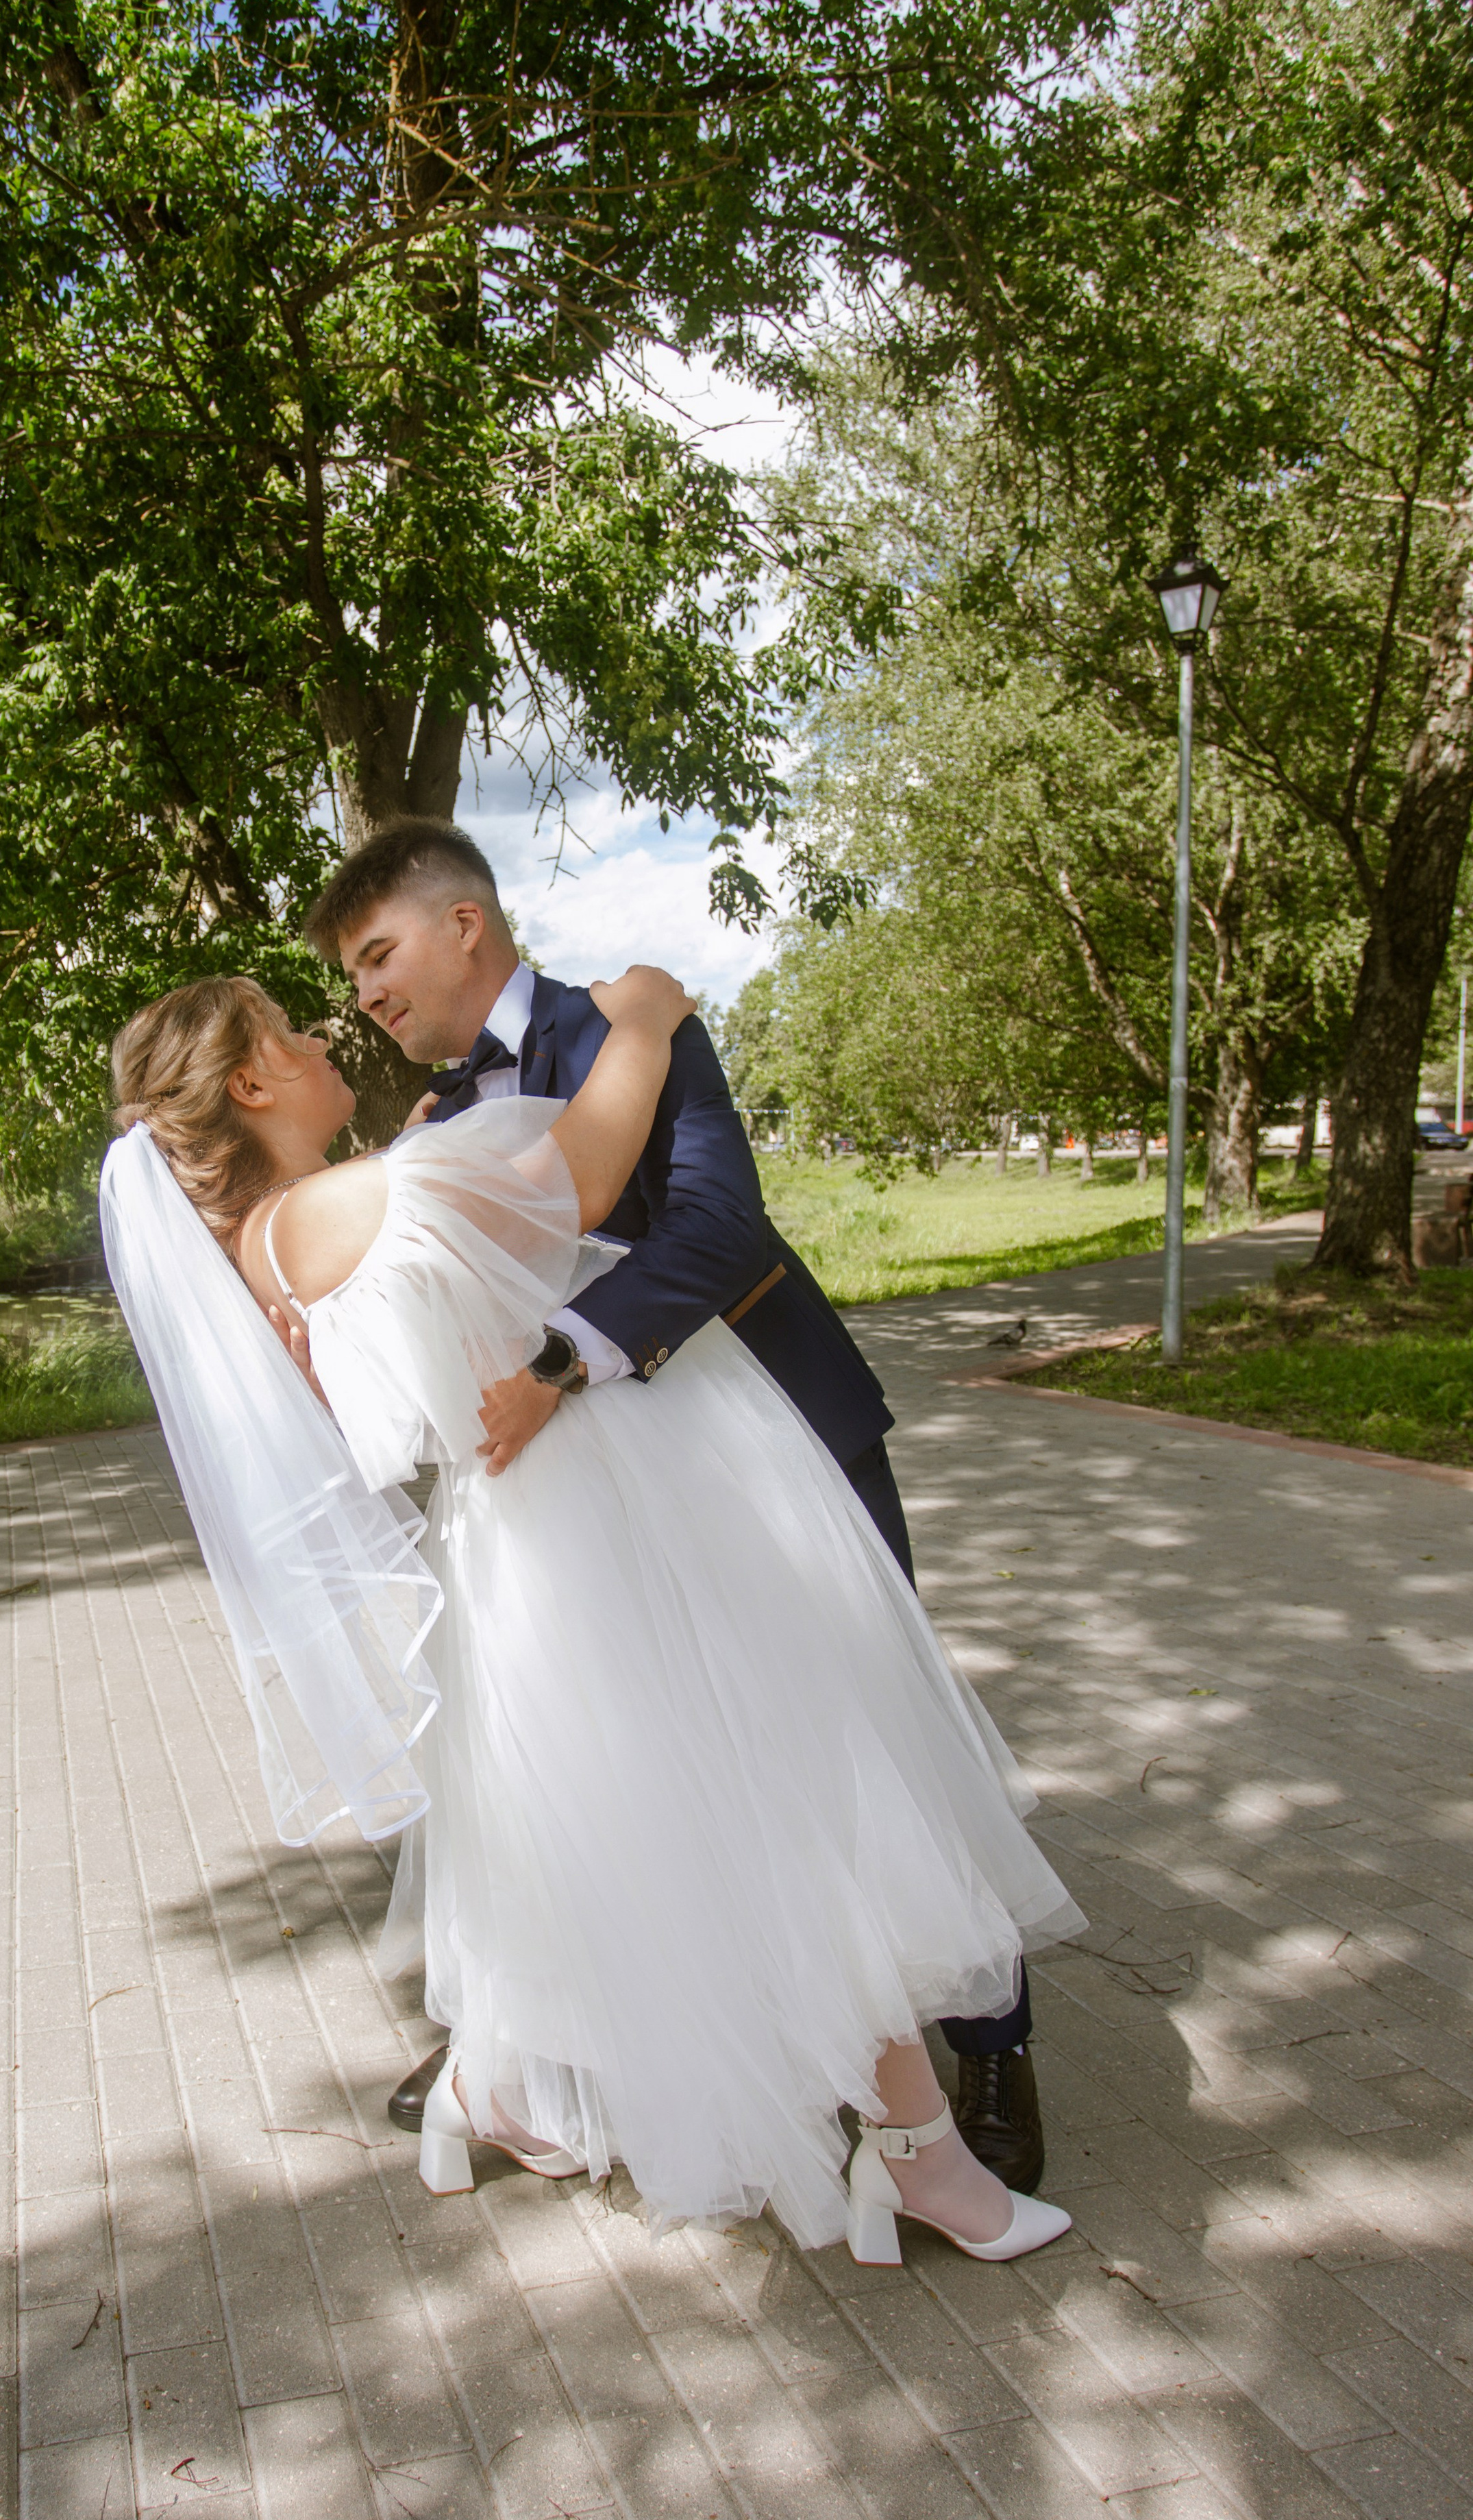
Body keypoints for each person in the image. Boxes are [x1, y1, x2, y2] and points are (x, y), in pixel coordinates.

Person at [102, 962, 1084, 2262]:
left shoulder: (288, 1231)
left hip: (547, 1534)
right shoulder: (329, 1209)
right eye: (289, 1029)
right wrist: (646, 1017)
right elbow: (586, 1171)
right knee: (775, 1800)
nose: (323, 1031)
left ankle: (501, 2090)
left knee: (700, 1812)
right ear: (252, 1082)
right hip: (590, 1537)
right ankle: (913, 2153)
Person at [305, 818, 1048, 2190]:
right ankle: (537, 2041)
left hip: (775, 1436)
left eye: (375, 954)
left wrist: (556, 1364)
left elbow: (717, 1229)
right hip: (609, 1498)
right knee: (661, 1753)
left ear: (463, 921)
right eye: (351, 977)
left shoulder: (630, 1022)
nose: (365, 994)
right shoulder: (440, 1115)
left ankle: (987, 2036)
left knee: (873, 1734)